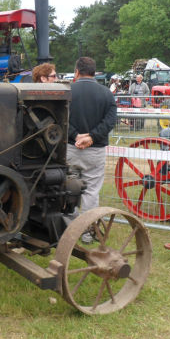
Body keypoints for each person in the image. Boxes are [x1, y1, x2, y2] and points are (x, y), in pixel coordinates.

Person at [66, 57, 117, 243]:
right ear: (94, 72)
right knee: (91, 192)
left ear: (77, 71)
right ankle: (86, 233)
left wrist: (76, 136)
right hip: (94, 151)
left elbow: (61, 118)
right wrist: (92, 137)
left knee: (68, 188)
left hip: (71, 148)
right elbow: (110, 121)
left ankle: (69, 227)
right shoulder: (106, 93)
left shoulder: (68, 91)